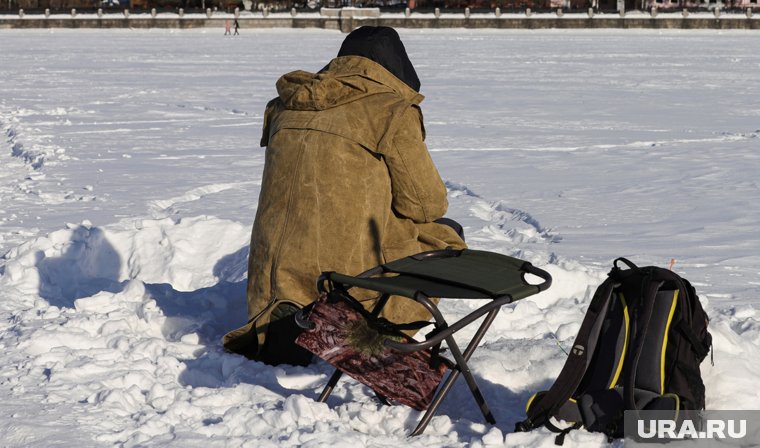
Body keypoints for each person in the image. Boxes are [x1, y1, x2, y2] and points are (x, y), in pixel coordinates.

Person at [223, 26, 466, 366]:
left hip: (273, 279)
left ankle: (289, 311)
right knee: (446, 233)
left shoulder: (286, 104)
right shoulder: (390, 110)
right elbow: (425, 204)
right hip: (351, 277)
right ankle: (373, 324)